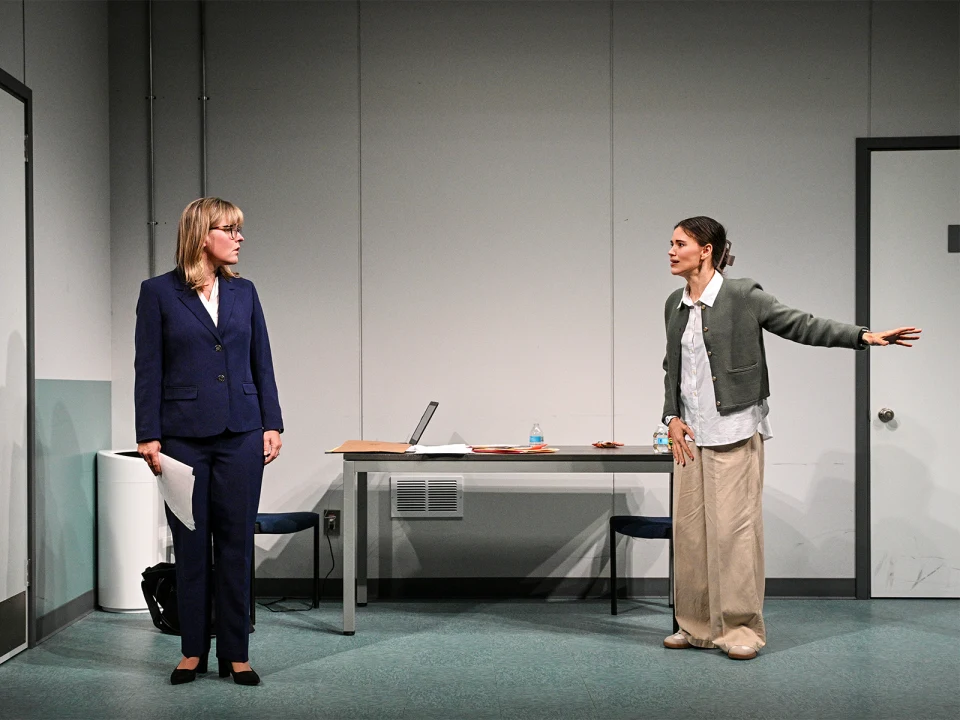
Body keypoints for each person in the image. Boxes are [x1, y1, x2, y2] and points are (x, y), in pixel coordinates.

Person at [660, 216, 919, 660]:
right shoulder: (674, 303)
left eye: (679, 243)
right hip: (689, 435)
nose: (670, 250)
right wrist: (670, 417)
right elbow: (673, 367)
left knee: (733, 535)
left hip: (734, 429)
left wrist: (863, 336)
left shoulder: (742, 295)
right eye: (670, 243)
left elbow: (802, 324)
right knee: (690, 534)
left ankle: (739, 628)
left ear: (706, 250)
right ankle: (696, 625)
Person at [135, 197, 283, 685]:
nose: (240, 238)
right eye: (231, 229)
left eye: (240, 230)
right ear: (203, 236)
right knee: (192, 546)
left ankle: (236, 654)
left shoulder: (246, 293)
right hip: (182, 438)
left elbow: (262, 361)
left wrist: (272, 423)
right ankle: (193, 652)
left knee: (237, 545)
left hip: (242, 432)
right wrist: (148, 434)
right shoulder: (158, 293)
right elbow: (148, 367)